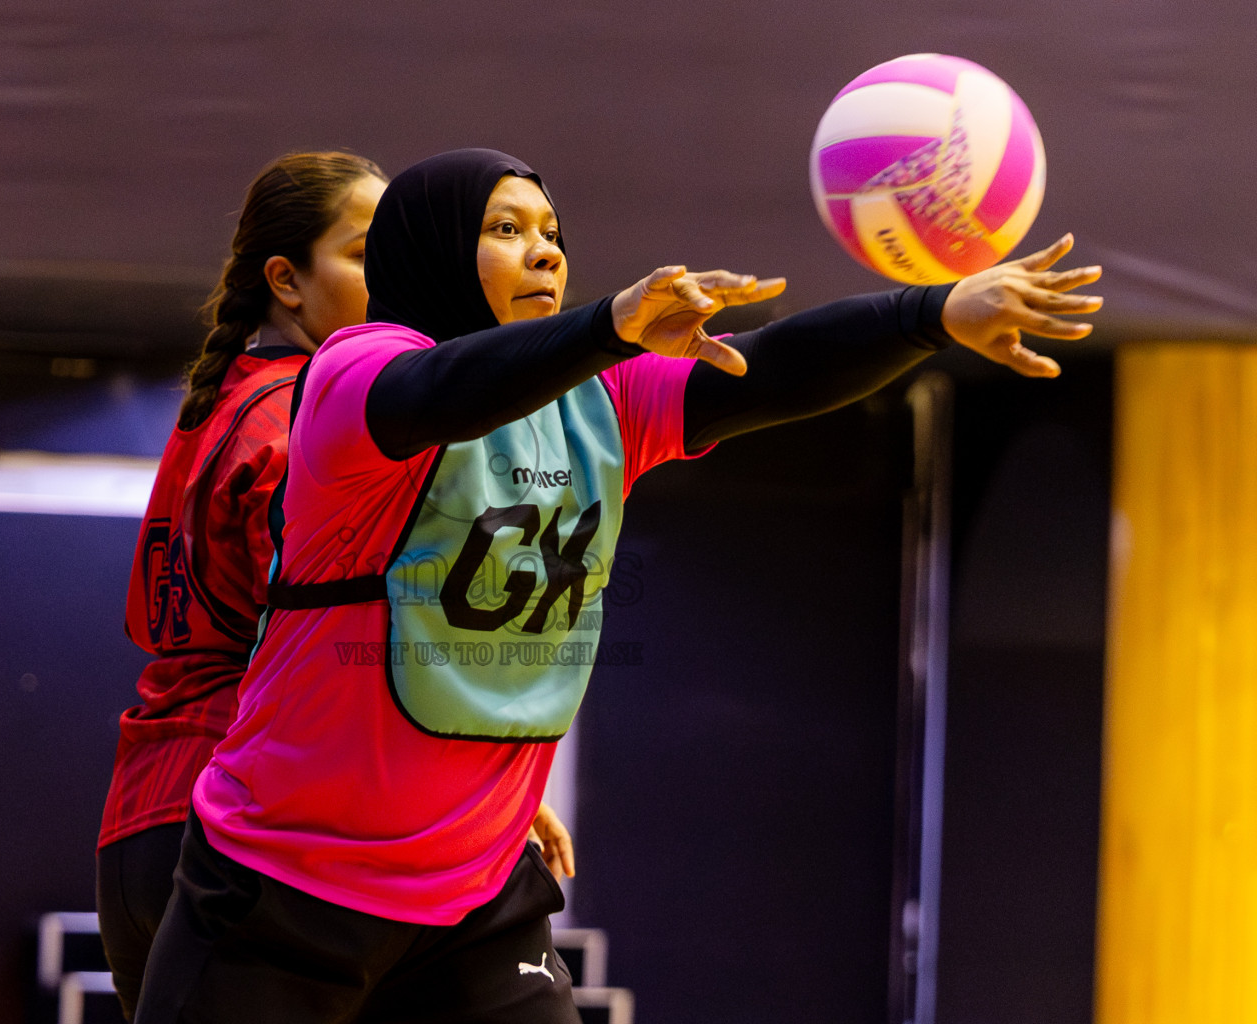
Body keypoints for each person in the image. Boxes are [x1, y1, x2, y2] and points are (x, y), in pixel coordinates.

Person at [133, 148, 1102, 1024]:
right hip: (285, 886)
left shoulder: (602, 402)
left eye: (553, 234)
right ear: (424, 251)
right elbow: (446, 393)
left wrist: (929, 314)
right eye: (506, 230)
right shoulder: (353, 375)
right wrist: (608, 327)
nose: (545, 253)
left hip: (473, 893)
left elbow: (766, 371)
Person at [96, 150, 575, 1021]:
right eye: (366, 257)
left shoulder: (236, 395)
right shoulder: (312, 422)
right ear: (286, 279)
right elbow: (340, 632)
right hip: (260, 838)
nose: (395, 278)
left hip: (151, 819)